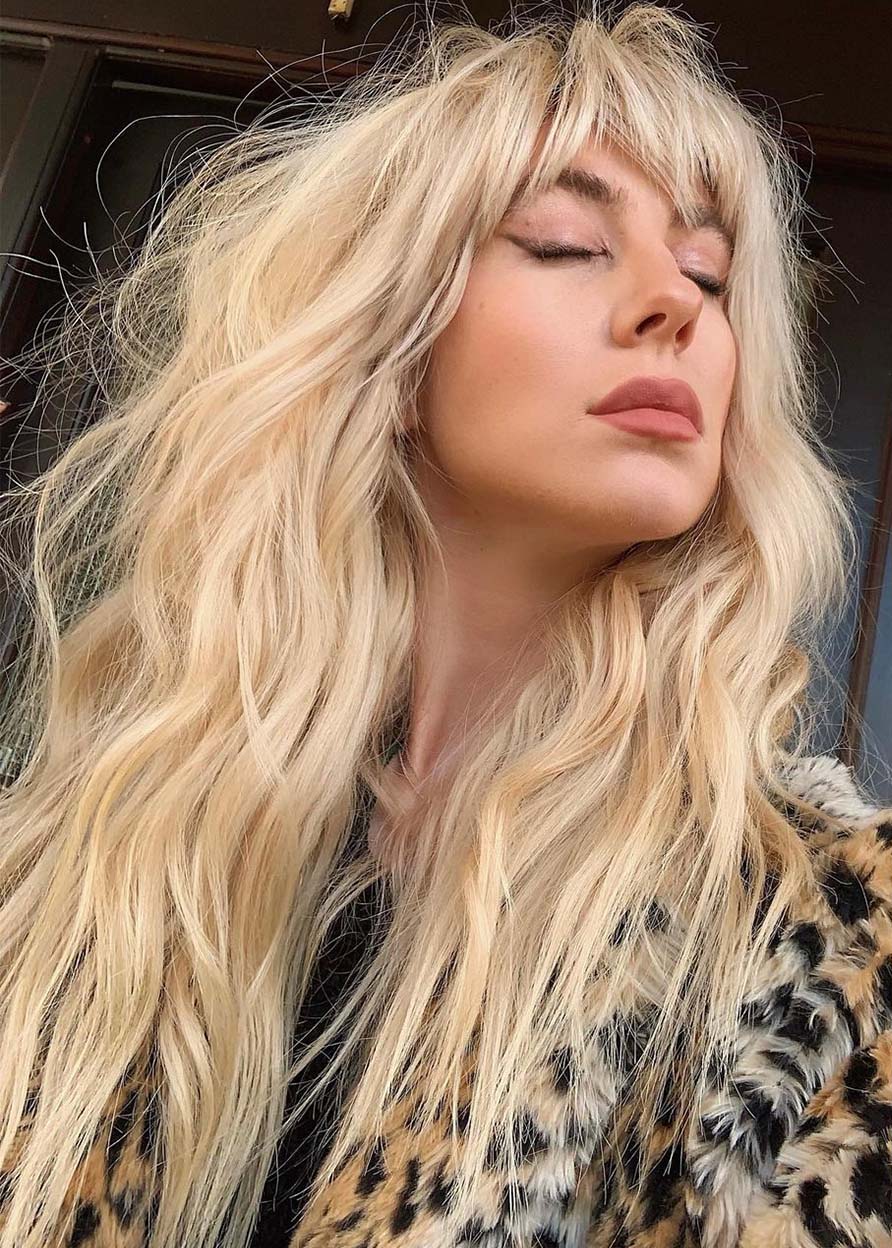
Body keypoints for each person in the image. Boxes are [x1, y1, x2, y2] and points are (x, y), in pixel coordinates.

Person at [0, 4, 890, 1246]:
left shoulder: (838, 940)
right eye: (566, 243)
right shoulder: (83, 865)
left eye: (706, 272)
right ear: (391, 339)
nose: (672, 306)